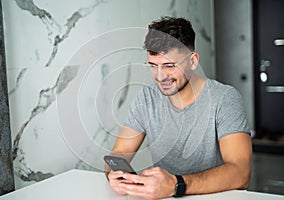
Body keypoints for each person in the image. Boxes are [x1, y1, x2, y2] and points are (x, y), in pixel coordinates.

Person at [105, 16, 252, 200]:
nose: (160, 76)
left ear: (193, 61)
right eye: (153, 66)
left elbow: (241, 173)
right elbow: (119, 153)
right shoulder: (146, 98)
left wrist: (176, 184)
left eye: (169, 66)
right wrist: (115, 174)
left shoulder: (225, 99)